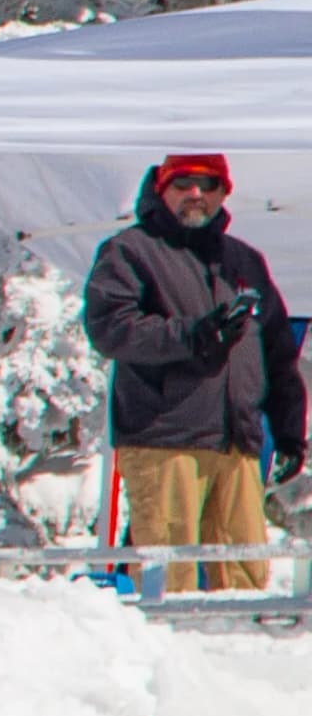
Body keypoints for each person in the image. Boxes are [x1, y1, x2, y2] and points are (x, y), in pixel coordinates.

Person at [84, 152, 305, 596]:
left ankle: (236, 657)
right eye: (183, 183)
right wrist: (193, 336)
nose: (196, 194)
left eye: (208, 184)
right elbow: (110, 328)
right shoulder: (130, 250)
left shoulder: (245, 261)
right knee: (166, 576)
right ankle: (153, 660)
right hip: (163, 436)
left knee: (244, 576)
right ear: (161, 189)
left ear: (225, 193)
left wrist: (288, 432)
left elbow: (278, 352)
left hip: (237, 441)